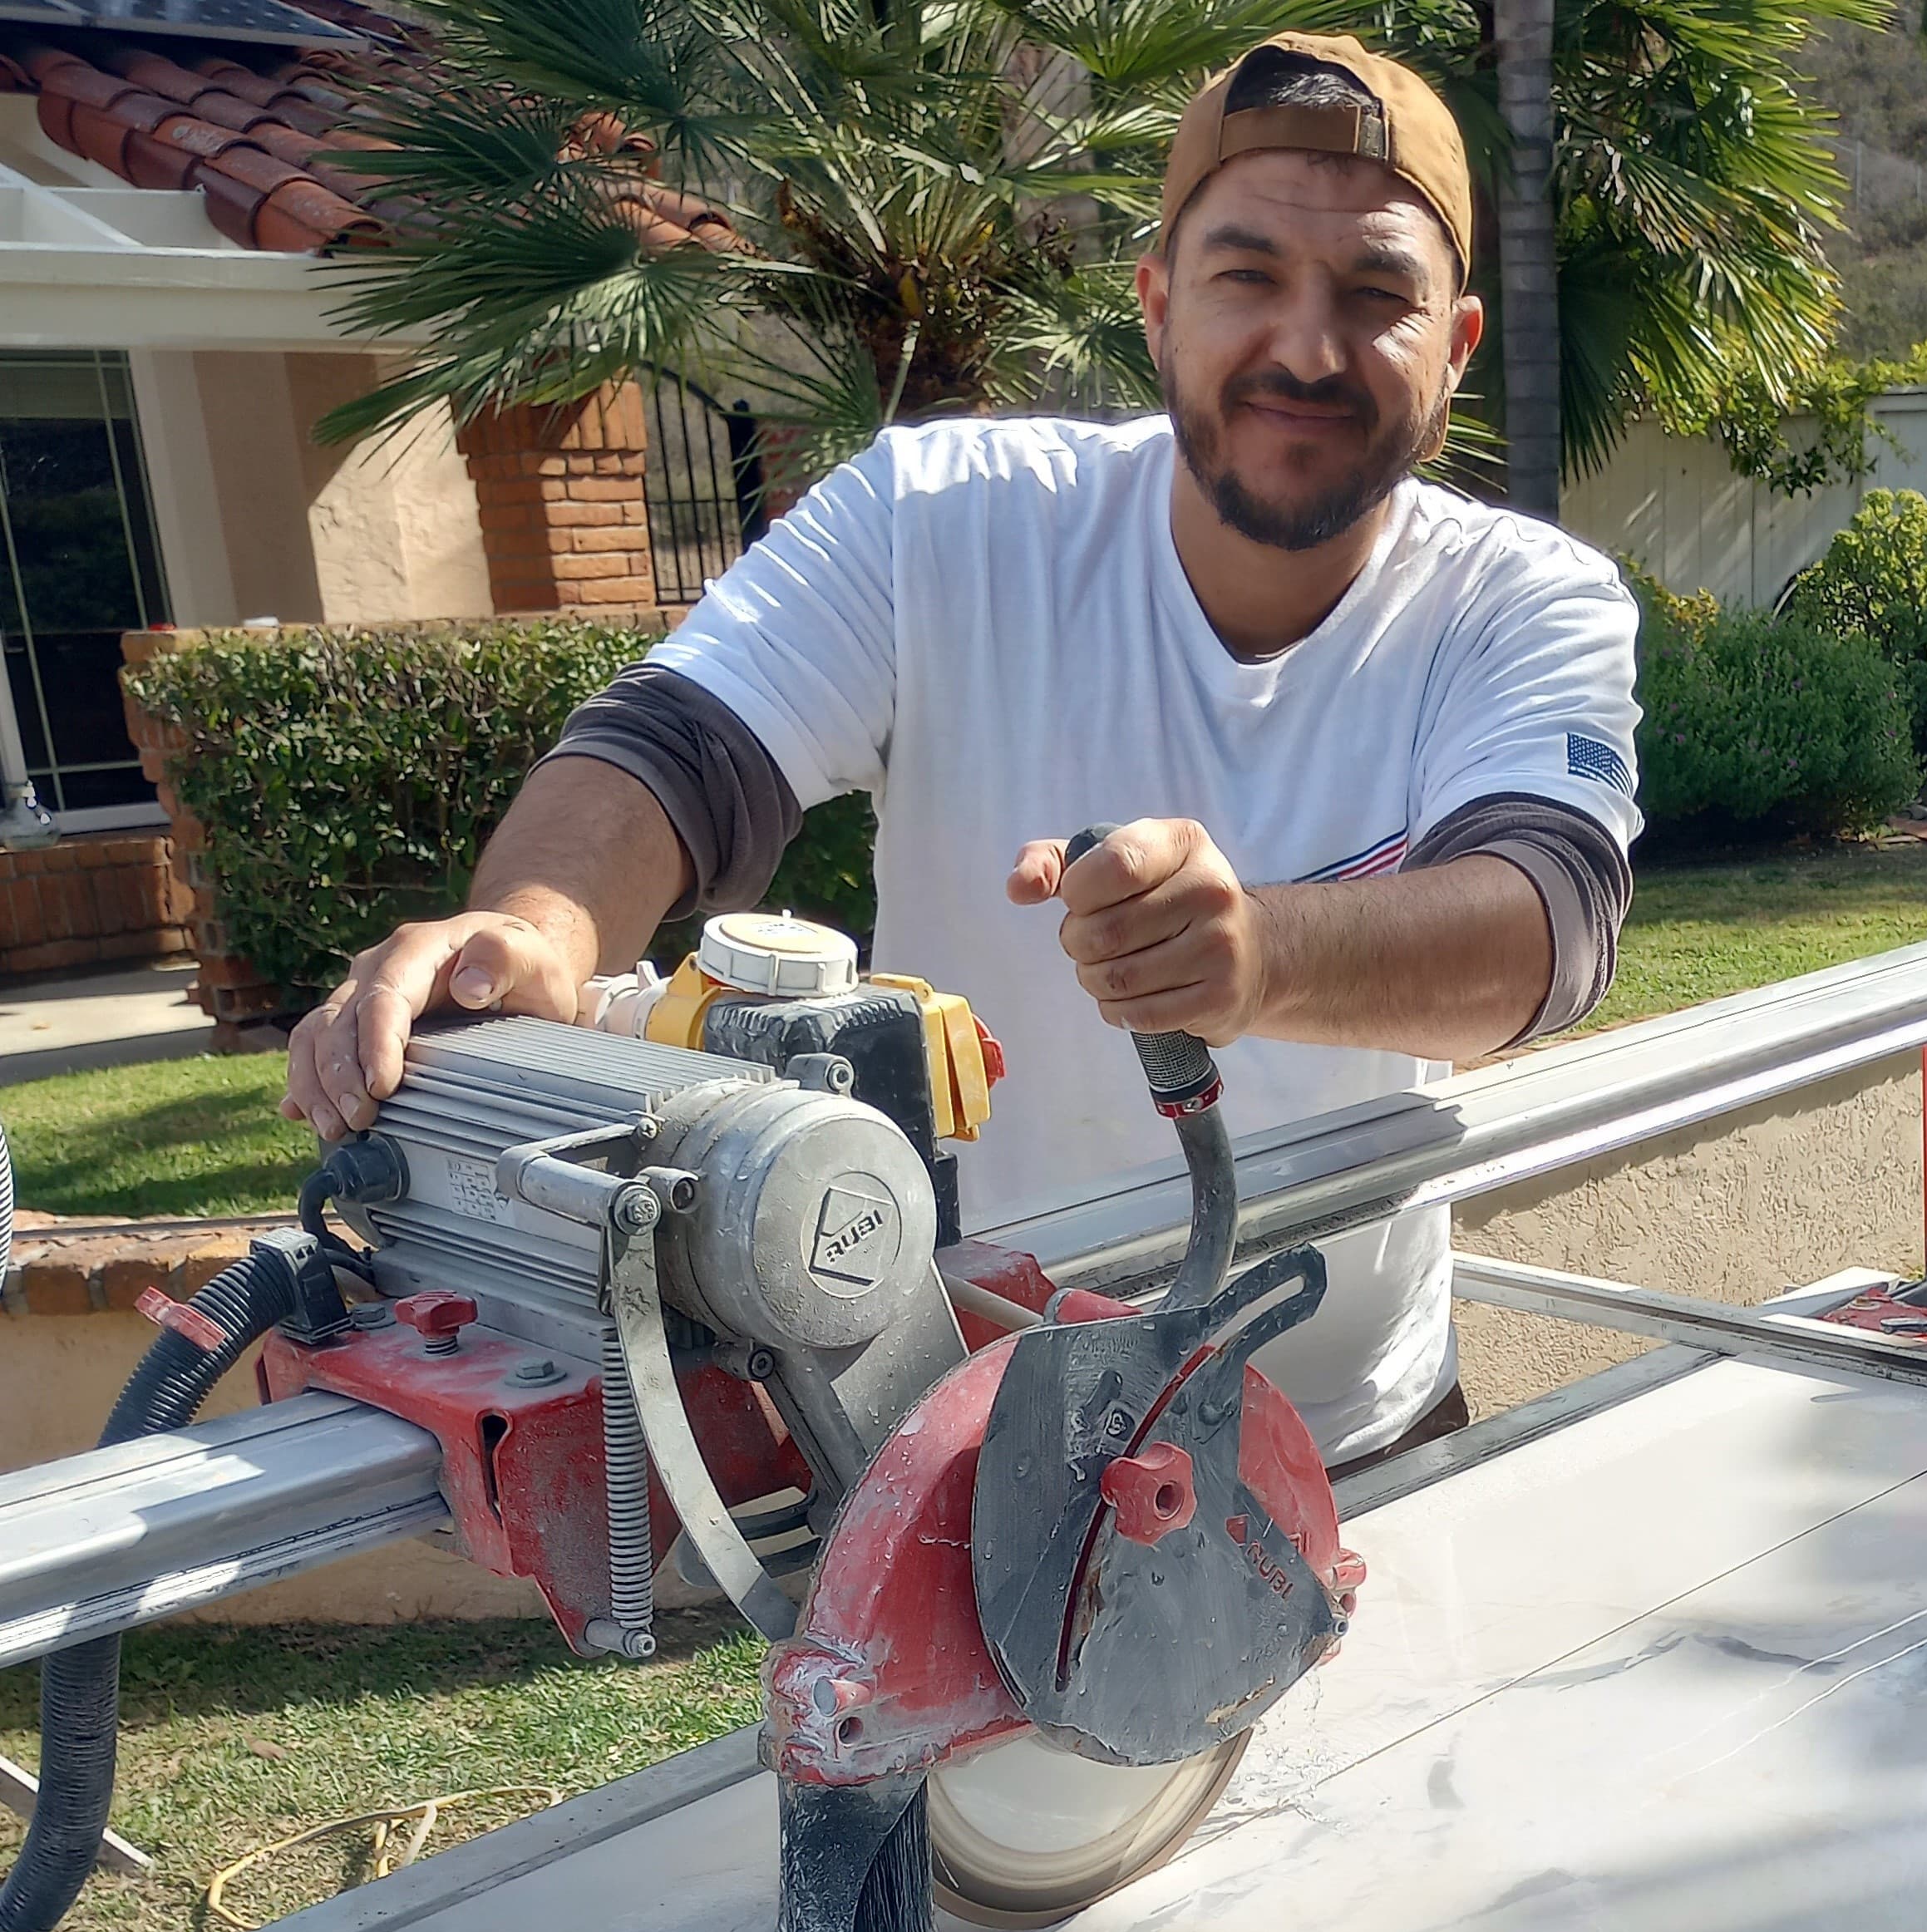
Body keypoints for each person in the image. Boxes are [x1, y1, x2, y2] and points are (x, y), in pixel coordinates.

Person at [283, 32, 1643, 1466]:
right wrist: (536, 923)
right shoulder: (944, 516)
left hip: (1360, 1446)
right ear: (1160, 300)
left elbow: (1548, 926)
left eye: (1377, 296)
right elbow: (684, 745)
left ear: (1457, 344)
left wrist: (1259, 953)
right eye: (1249, 277)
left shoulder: (1526, 598)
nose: (1306, 348)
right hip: (967, 1454)